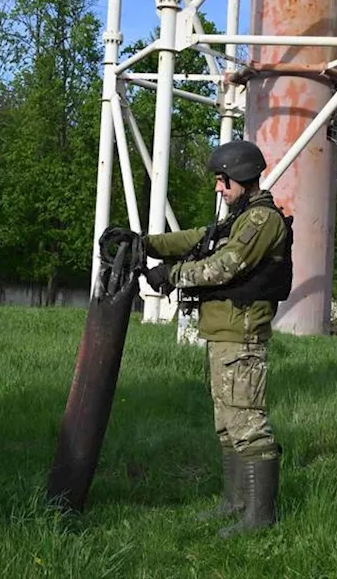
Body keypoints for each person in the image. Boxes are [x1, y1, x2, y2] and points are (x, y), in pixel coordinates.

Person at [117, 139, 293, 538]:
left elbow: (224, 267)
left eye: (222, 179)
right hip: (224, 335)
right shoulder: (239, 219)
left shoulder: (262, 221)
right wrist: (144, 242)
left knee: (249, 426)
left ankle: (259, 519)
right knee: (227, 425)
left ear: (242, 177)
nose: (219, 187)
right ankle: (234, 504)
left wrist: (172, 274)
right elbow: (198, 239)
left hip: (242, 336)